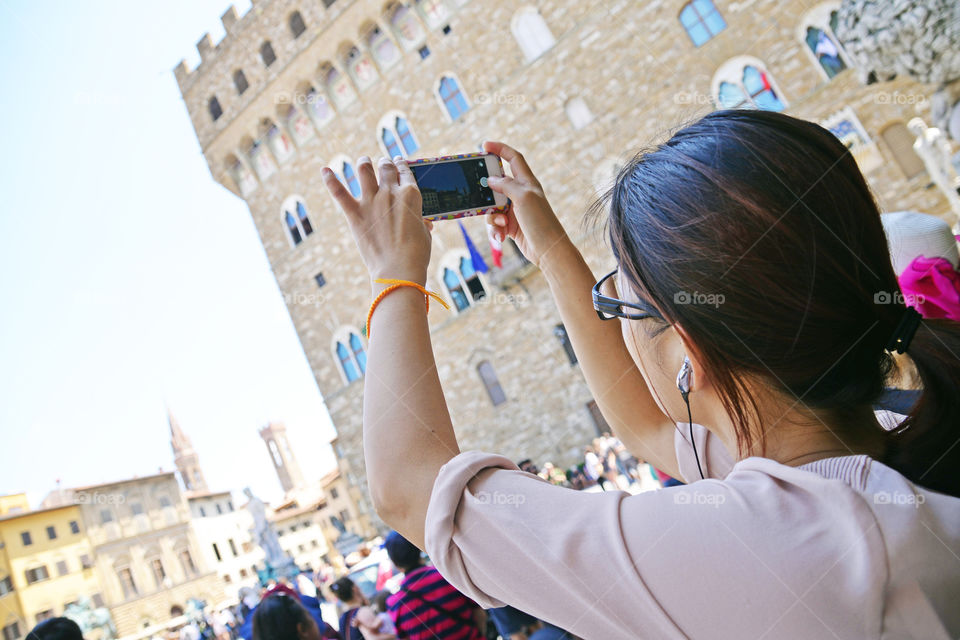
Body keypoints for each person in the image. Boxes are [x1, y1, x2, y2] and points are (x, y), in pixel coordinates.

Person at [322, 110, 960, 637]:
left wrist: (395, 275)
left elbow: (410, 488)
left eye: (621, 303)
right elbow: (648, 425)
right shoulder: (878, 468)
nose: (616, 320)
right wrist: (548, 250)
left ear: (690, 353)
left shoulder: (763, 541)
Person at [382, 531, 485, 640]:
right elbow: (479, 614)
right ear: (418, 549)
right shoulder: (448, 575)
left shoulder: (396, 603)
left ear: (394, 563)